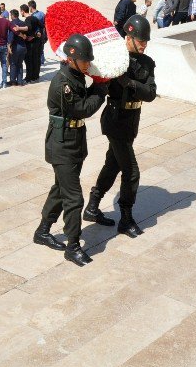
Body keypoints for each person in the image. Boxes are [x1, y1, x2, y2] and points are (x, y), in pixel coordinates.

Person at [33, 34, 108, 267]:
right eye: (85, 60)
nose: (88, 64)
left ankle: (42, 231)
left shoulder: (76, 76)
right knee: (74, 197)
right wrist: (100, 90)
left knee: (61, 188)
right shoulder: (62, 83)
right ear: (71, 59)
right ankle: (73, 246)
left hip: (74, 141)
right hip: (62, 144)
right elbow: (82, 109)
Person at [84, 15, 157, 236]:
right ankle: (126, 218)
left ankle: (92, 206)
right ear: (129, 37)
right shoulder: (113, 59)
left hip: (131, 120)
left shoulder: (146, 62)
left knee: (113, 164)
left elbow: (151, 93)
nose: (144, 46)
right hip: (115, 119)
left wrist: (131, 83)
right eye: (140, 41)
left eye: (146, 42)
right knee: (131, 171)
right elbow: (96, 82)